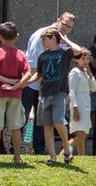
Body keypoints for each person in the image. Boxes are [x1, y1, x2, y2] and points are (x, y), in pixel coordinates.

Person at [23, 13, 76, 155]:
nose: (66, 29)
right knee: (23, 117)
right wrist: (44, 87)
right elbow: (33, 67)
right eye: (65, 25)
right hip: (32, 86)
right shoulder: (41, 35)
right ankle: (14, 149)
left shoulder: (63, 39)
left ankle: (40, 150)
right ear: (58, 20)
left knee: (43, 122)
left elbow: (76, 53)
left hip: (50, 88)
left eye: (70, 27)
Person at [29, 27, 83, 165]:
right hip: (44, 94)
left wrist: (65, 39)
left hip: (59, 93)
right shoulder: (43, 56)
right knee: (47, 126)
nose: (43, 42)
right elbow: (39, 74)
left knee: (58, 123)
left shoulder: (64, 53)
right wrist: (25, 83)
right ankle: (52, 156)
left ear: (53, 38)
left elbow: (78, 51)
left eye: (44, 39)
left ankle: (67, 149)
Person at [0, 22, 29, 165]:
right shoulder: (21, 54)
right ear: (17, 36)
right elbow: (28, 73)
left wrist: (6, 81)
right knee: (15, 127)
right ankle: (17, 158)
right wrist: (17, 85)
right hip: (16, 95)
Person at [67, 48, 96, 158]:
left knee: (83, 134)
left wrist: (90, 74)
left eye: (87, 58)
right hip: (78, 105)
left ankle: (81, 156)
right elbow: (72, 91)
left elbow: (93, 88)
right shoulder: (75, 72)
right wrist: (75, 108)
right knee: (80, 134)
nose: (85, 61)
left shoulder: (85, 73)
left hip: (86, 105)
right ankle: (65, 152)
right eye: (83, 58)